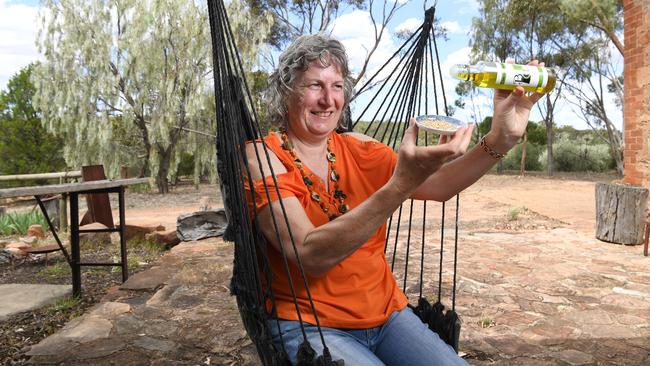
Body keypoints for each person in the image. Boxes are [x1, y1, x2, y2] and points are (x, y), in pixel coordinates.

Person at [245, 34, 543, 365]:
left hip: (388, 316)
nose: (328, 100)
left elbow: (439, 185)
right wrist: (400, 185)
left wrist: (501, 138)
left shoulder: (357, 146)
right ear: (286, 91)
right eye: (314, 85)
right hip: (309, 325)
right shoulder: (263, 156)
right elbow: (307, 255)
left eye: (338, 86)